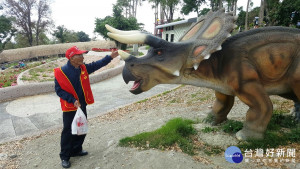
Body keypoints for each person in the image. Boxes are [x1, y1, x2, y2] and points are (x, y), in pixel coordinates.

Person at [54, 46, 119, 168]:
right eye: (80, 55)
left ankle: (76, 150)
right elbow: (59, 91)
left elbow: (97, 64)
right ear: (72, 58)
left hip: (82, 104)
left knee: (81, 127)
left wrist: (110, 57)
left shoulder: (83, 68)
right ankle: (65, 156)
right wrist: (72, 100)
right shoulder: (60, 72)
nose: (83, 57)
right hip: (69, 107)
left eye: (82, 55)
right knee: (68, 132)